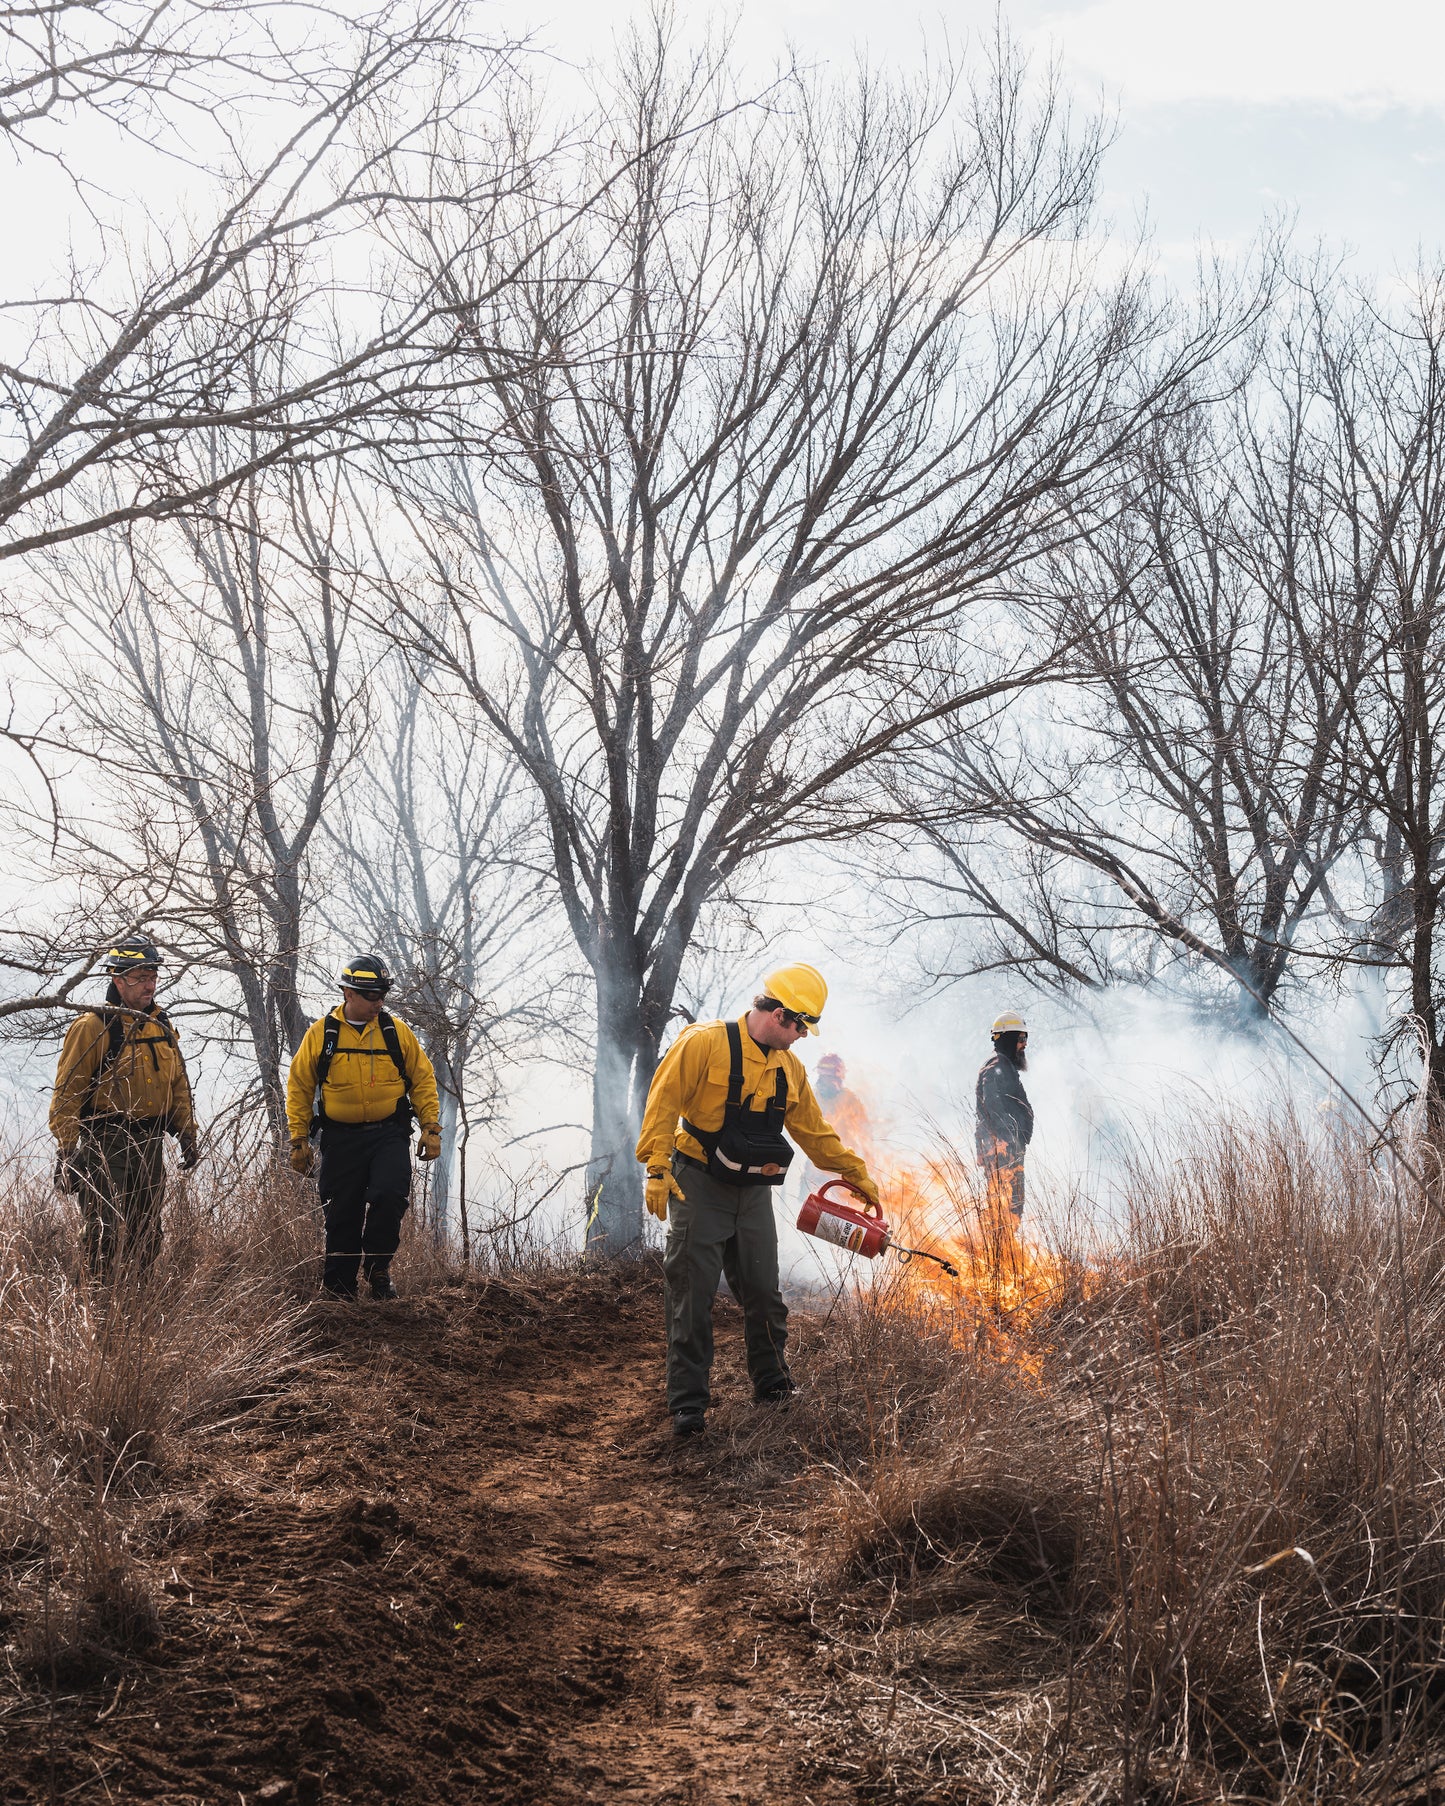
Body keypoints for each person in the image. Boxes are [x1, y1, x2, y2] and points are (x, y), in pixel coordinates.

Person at [636, 962, 880, 1439]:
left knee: (765, 1295)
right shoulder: (702, 1042)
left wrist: (853, 1170)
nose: (804, 1037)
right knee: (692, 1295)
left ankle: (772, 1385)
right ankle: (688, 1405)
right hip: (696, 1184)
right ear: (780, 1014)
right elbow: (662, 1103)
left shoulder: (788, 1068)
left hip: (752, 1192)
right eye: (801, 1026)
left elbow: (813, 1130)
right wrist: (656, 1168)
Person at [285, 955, 443, 1301]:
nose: (379, 1003)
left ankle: (378, 1269)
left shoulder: (394, 1032)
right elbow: (299, 1086)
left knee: (390, 1196)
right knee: (342, 1213)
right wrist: (298, 1138)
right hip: (340, 1139)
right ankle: (340, 1290)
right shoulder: (322, 1034)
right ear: (348, 993)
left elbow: (422, 1078)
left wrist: (431, 1125)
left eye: (383, 995)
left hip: (389, 1133)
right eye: (372, 996)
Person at [50, 940, 199, 1279]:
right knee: (102, 1232)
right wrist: (68, 1148)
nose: (150, 984)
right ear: (117, 980)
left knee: (147, 1233)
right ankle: (98, 1309)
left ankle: (137, 1304)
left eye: (153, 976)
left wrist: (187, 1132)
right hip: (105, 1141)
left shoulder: (161, 1025)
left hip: (150, 1142)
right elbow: (67, 1093)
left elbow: (177, 1084)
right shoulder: (93, 1025)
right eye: (140, 977)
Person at [976, 1011, 1033, 1228]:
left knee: (1011, 1207)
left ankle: (1005, 1249)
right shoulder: (996, 1067)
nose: (1024, 1044)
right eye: (1020, 1039)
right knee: (1007, 1208)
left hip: (1007, 1150)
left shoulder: (1003, 1065)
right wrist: (1007, 1137)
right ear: (1008, 1039)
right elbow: (991, 1104)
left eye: (1025, 1038)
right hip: (1002, 1152)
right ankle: (1001, 1251)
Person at [796, 1052, 875, 1199]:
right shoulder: (812, 1097)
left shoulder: (850, 1099)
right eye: (824, 1077)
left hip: (842, 1163)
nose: (826, 1081)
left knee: (841, 1209)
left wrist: (868, 1159)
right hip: (816, 1164)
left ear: (839, 1078)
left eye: (830, 1077)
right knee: (808, 1206)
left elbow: (866, 1131)